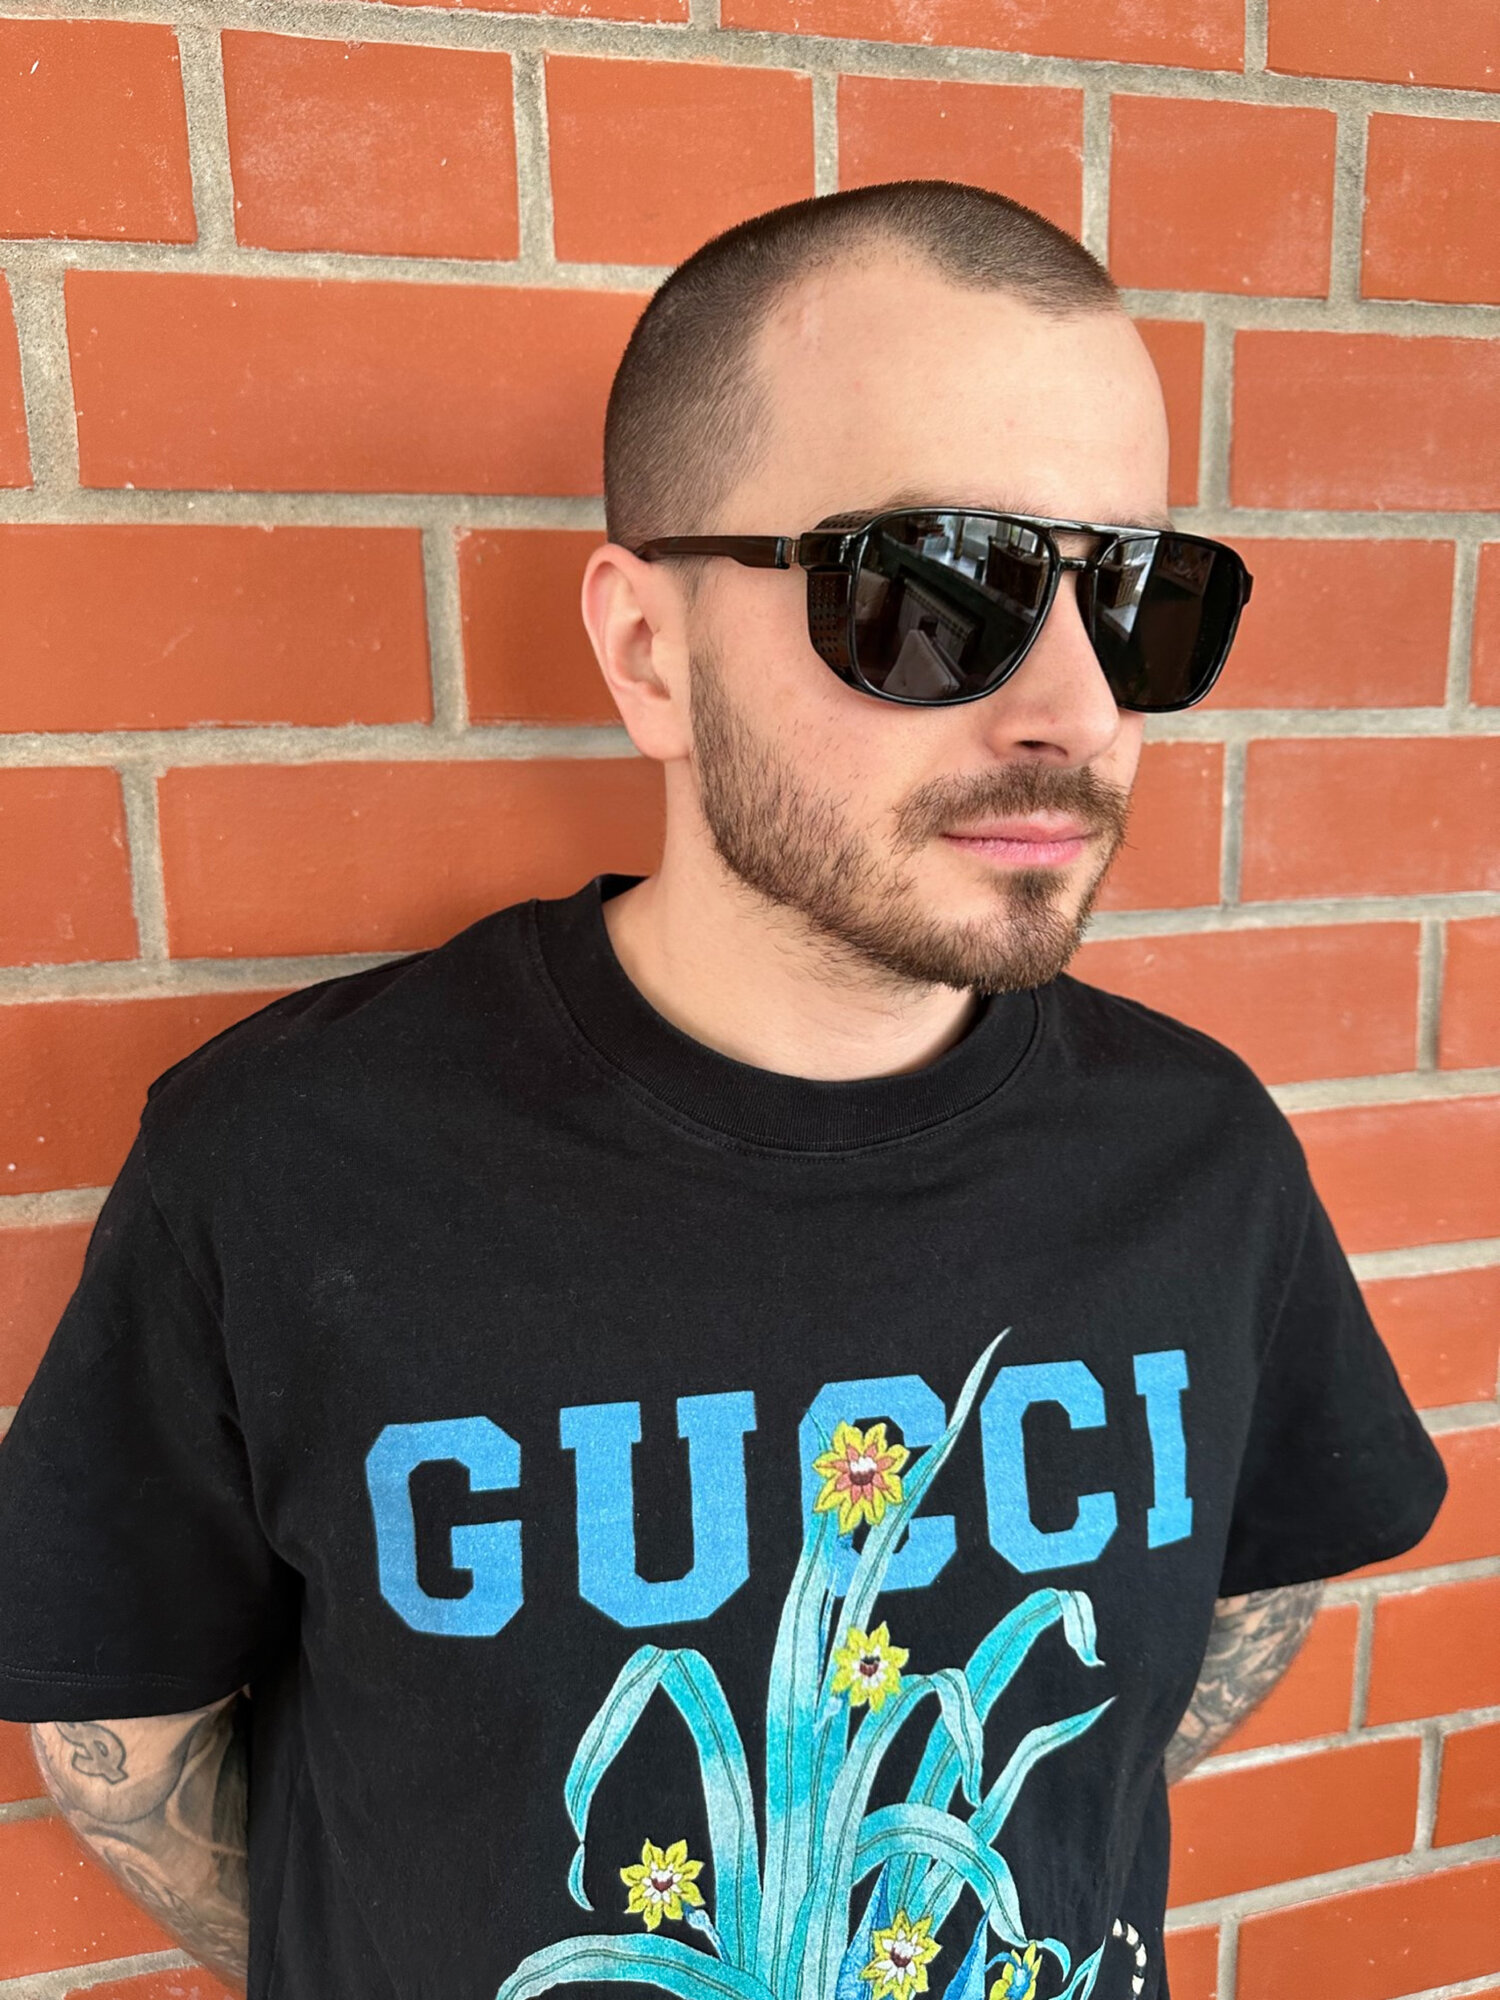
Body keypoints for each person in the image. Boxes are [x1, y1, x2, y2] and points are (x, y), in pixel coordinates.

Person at [0, 181, 1446, 2000]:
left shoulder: (1198, 1153)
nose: (1076, 713)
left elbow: (1254, 1577)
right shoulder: (292, 1162)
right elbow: (125, 1731)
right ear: (648, 652)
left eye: (1139, 601)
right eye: (939, 592)